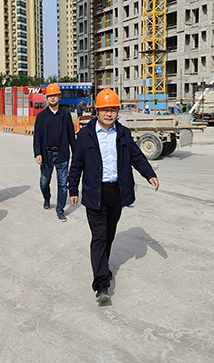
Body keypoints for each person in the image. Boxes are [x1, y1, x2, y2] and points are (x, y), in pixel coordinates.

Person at [68, 88, 159, 304]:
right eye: (105, 110)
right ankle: (101, 284)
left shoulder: (123, 133)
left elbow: (137, 157)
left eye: (113, 110)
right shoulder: (85, 136)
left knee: (109, 234)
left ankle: (103, 266)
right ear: (97, 111)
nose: (109, 114)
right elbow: (76, 164)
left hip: (116, 192)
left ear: (118, 111)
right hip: (94, 192)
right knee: (99, 237)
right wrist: (72, 189)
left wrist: (149, 174)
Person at [33, 83, 75, 222]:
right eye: (50, 95)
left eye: (55, 95)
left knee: (62, 183)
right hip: (47, 154)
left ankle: (60, 209)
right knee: (44, 181)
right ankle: (47, 198)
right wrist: (37, 153)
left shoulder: (66, 115)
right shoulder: (41, 116)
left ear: (59, 97)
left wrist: (76, 153)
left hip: (62, 153)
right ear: (46, 97)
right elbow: (37, 136)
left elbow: (71, 136)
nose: (52, 98)